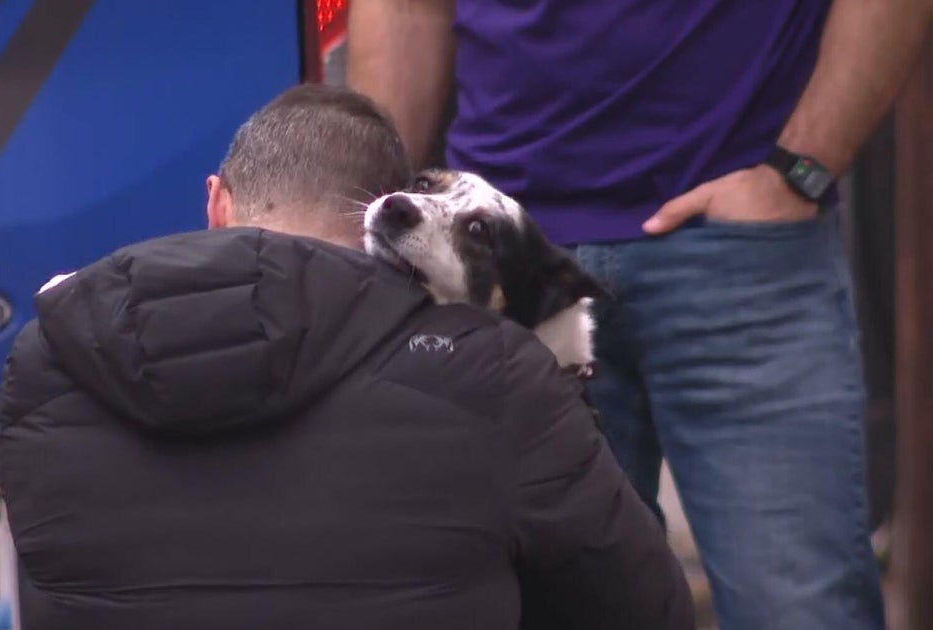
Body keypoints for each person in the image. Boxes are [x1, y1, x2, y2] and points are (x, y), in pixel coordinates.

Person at [0, 84, 694, 629]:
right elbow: (647, 612)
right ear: (387, 211)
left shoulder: (50, 361)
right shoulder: (499, 382)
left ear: (216, 205)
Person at [346, 1, 933, 628]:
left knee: (801, 611)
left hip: (743, 242)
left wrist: (801, 170)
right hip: (493, 263)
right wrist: (376, 221)